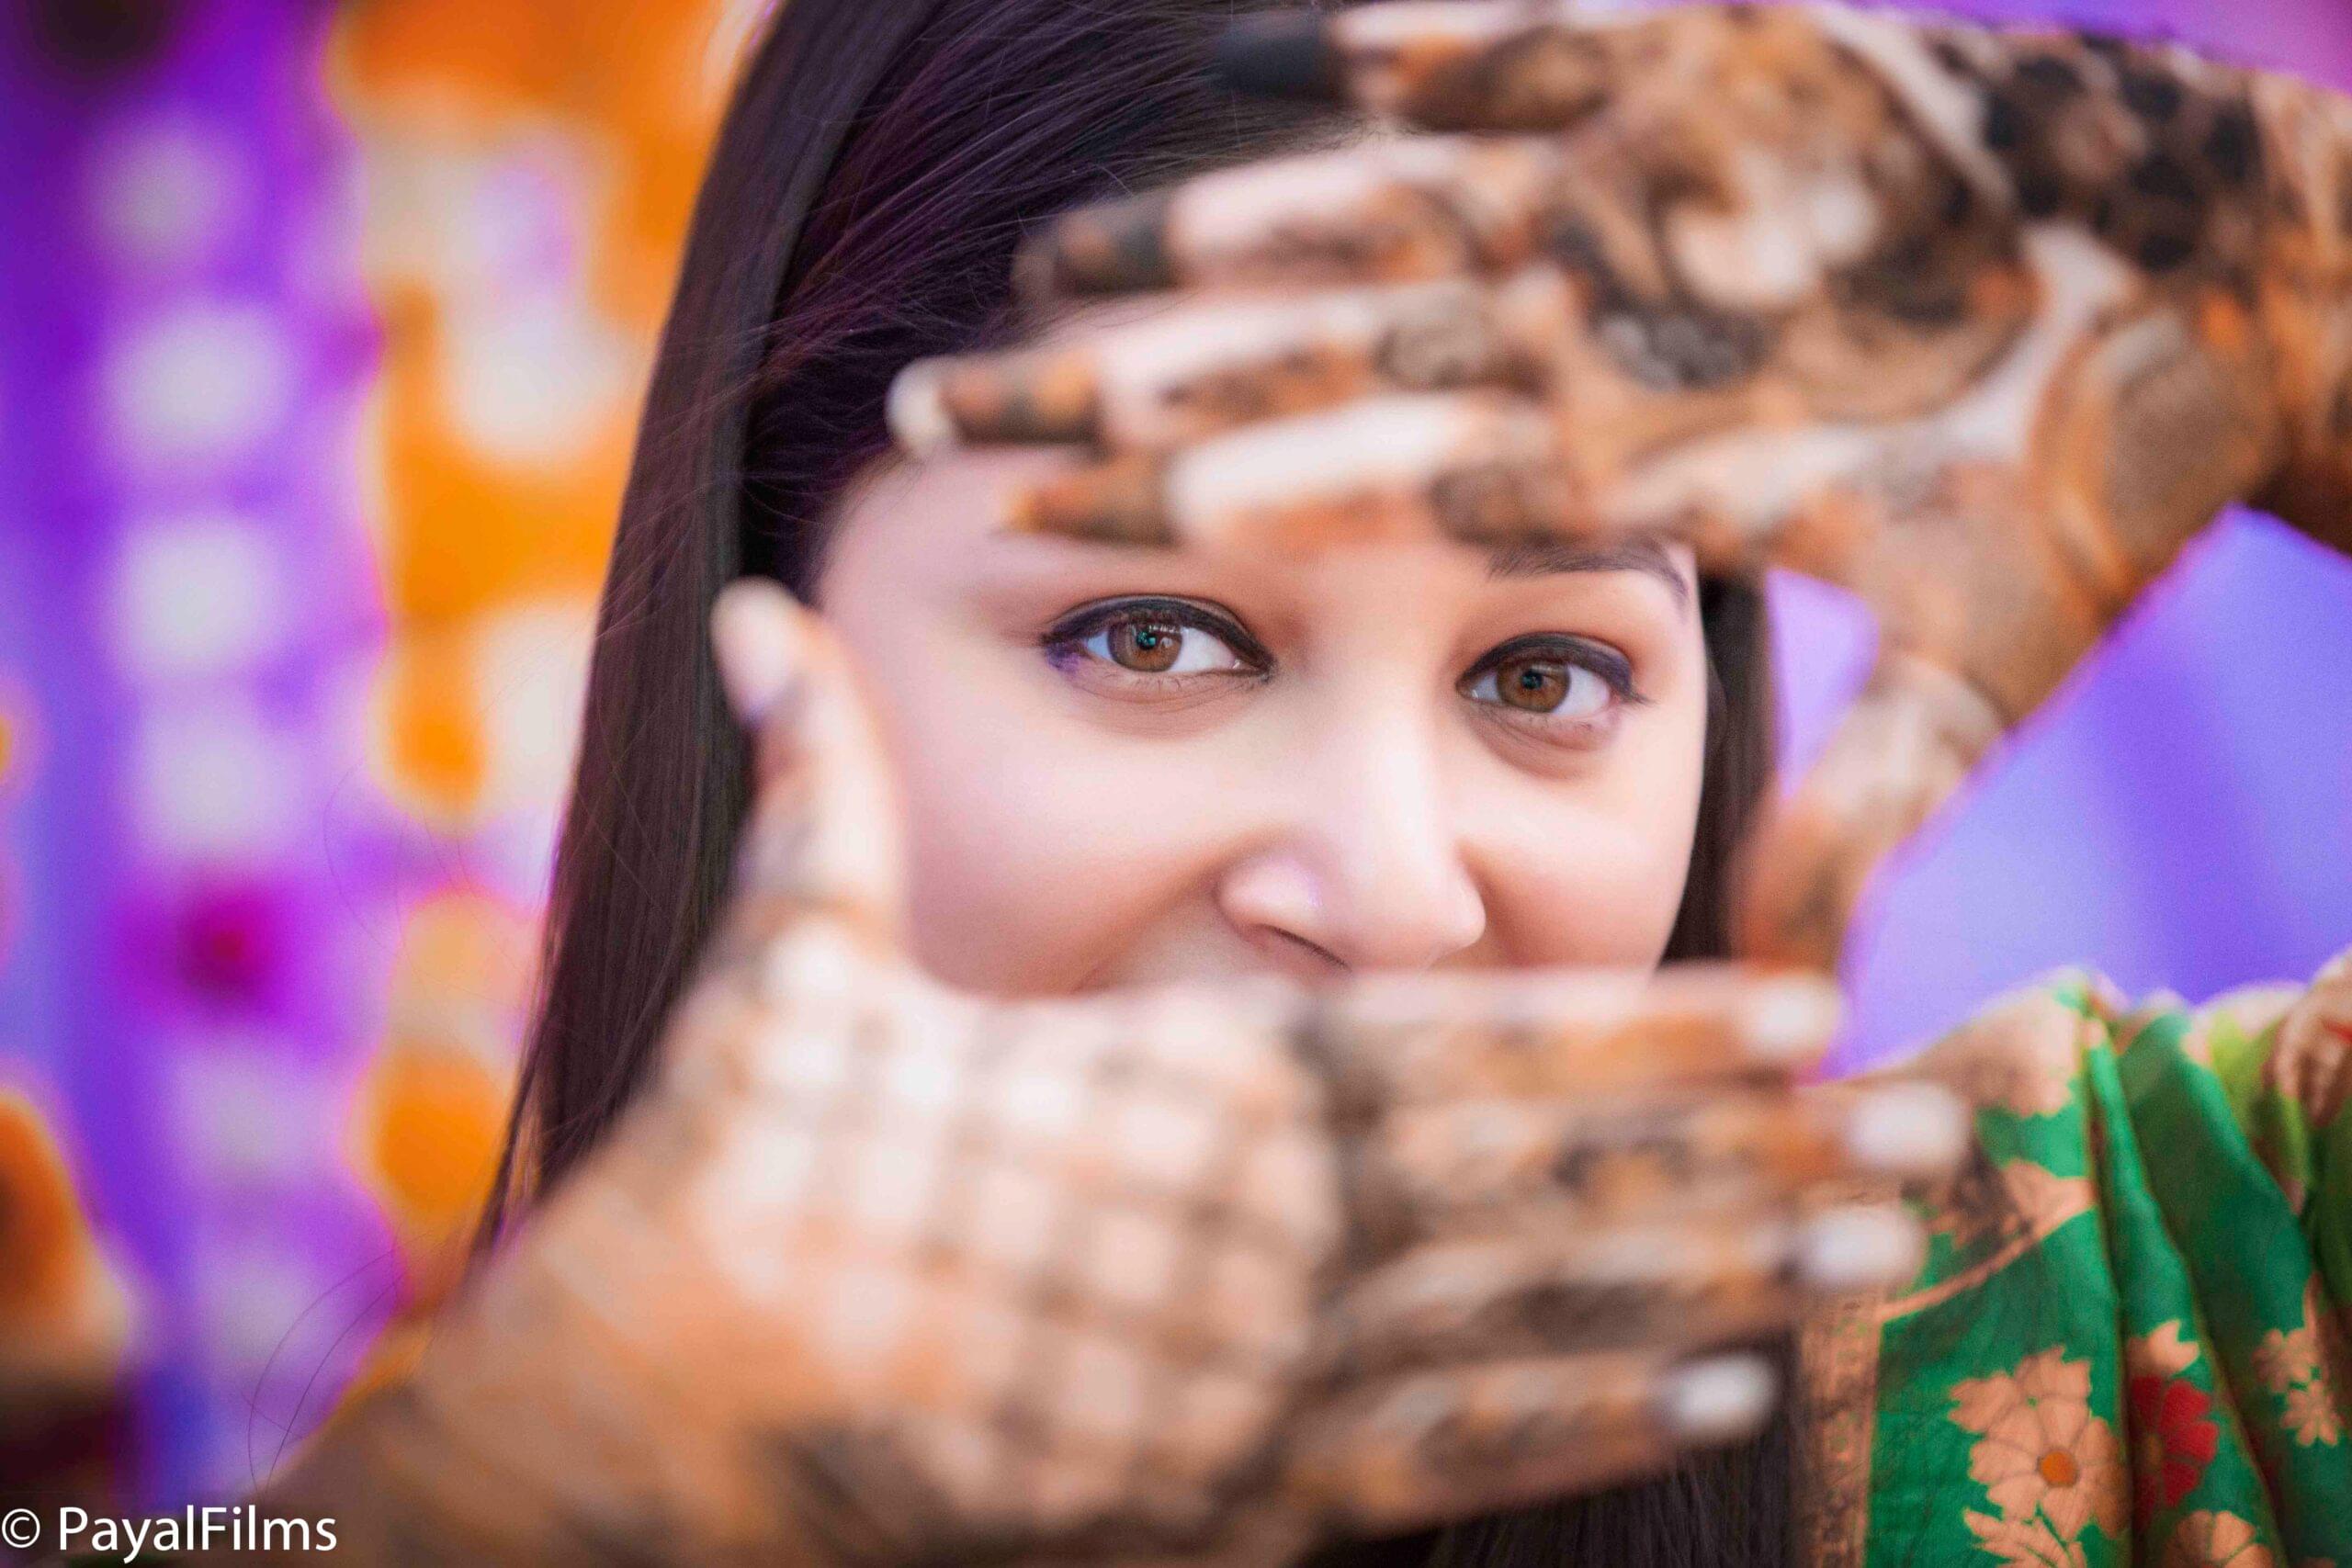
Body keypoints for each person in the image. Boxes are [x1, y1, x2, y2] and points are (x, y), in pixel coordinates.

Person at [140, 1, 2352, 1564]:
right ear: (756, 633)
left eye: (1547, 664)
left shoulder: (2140, 1326)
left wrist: (2289, 292)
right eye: (1151, 636)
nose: (1394, 895)